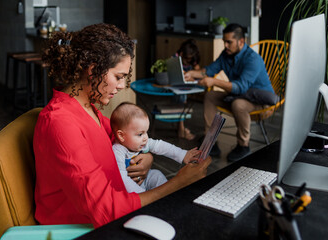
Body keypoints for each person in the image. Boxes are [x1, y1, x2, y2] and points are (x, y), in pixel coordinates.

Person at [33, 23, 211, 229]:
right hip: (79, 228)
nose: (121, 86)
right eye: (118, 77)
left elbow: (124, 140)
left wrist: (146, 157)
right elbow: (105, 209)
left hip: (110, 213)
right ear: (93, 70)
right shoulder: (60, 123)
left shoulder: (89, 111)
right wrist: (178, 183)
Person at [184, 23, 276, 162]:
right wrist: (193, 73)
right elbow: (209, 70)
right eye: (224, 42)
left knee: (238, 104)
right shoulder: (226, 55)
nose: (225, 45)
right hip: (237, 97)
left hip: (260, 102)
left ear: (241, 41)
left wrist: (214, 82)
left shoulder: (253, 59)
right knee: (210, 96)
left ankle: (243, 146)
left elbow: (240, 87)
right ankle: (210, 141)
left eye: (229, 42)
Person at [110, 102, 201, 193]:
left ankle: (168, 194)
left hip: (144, 179)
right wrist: (141, 194)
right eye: (140, 134)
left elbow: (161, 146)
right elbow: (122, 178)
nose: (145, 138)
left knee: (156, 174)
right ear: (121, 136)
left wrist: (183, 154)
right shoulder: (118, 151)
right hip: (130, 189)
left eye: (146, 132)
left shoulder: (141, 143)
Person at [173, 39, 201, 140]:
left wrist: (193, 75)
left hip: (188, 84)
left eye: (190, 59)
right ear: (181, 54)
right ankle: (181, 128)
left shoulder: (194, 59)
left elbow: (199, 73)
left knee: (182, 99)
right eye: (186, 59)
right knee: (182, 99)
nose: (188, 61)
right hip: (176, 84)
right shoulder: (176, 57)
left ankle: (181, 127)